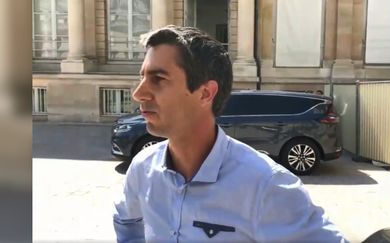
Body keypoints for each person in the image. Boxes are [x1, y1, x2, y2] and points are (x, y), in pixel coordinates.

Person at [113, 25, 347, 242]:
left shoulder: (265, 185)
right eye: (142, 77)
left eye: (158, 79)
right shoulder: (142, 168)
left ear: (205, 93)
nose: (138, 93)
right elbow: (126, 220)